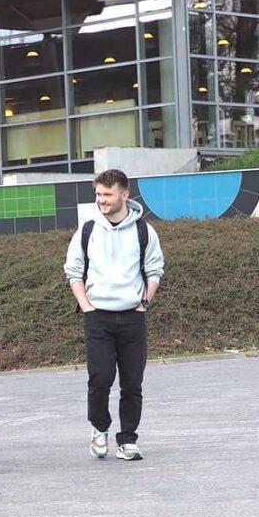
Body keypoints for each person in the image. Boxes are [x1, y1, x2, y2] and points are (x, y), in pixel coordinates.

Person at [64, 169, 165, 461]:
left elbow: (155, 269)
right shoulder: (88, 229)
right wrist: (85, 305)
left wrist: (144, 302)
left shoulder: (144, 231)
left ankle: (128, 440)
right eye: (98, 194)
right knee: (100, 379)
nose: (101, 200)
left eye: (107, 194)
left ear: (124, 195)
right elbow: (73, 270)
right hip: (98, 317)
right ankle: (99, 428)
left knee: (132, 382)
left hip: (133, 317)